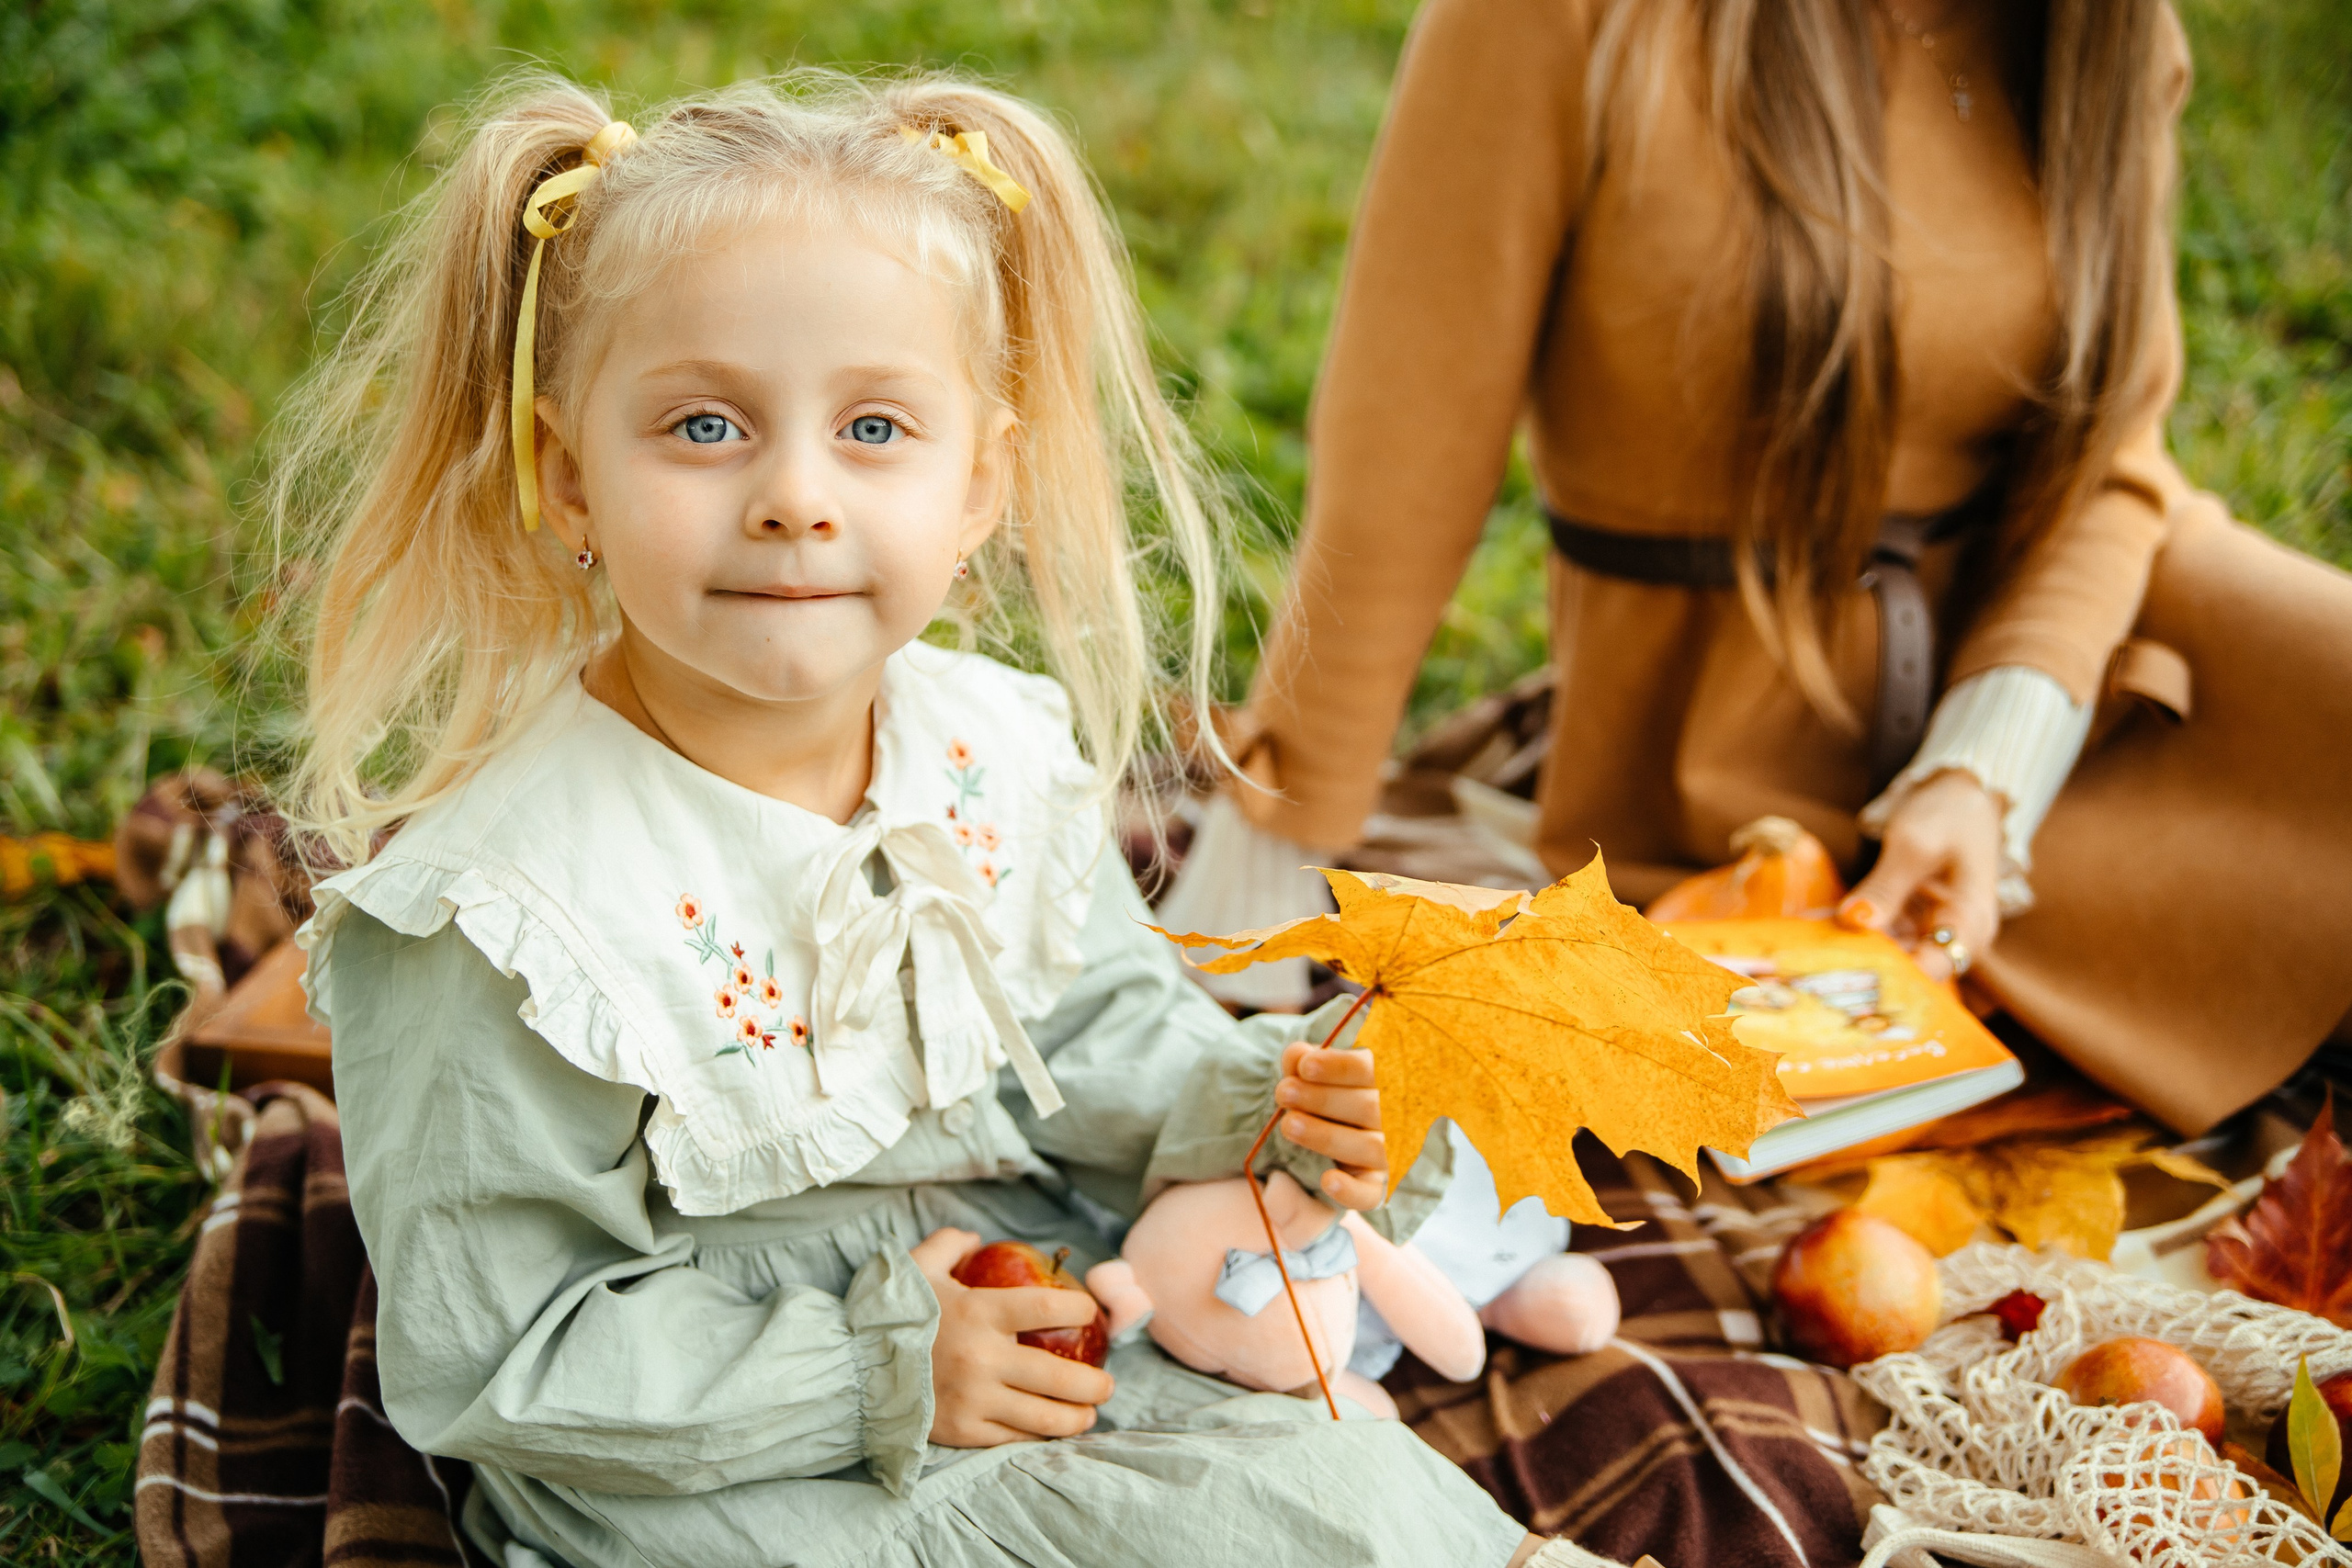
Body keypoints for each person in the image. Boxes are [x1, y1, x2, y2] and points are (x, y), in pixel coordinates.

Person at [276, 69, 1581, 1568]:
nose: (794, 498)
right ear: (567, 477)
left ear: (982, 485)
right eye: (704, 426)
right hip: (725, 1444)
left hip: (1042, 1315)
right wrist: (882, 1365)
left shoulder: (984, 757)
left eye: (877, 428)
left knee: (1336, 1504)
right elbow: (502, 1350)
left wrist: (1273, 1112)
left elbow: (1099, 1046)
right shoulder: (505, 916)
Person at [1166, 0, 2352, 1135]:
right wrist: (1267, 851)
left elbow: (2111, 454)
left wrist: (1986, 775)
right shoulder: (1569, 18)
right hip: (1729, 788)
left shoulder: (2112, 35)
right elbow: (1408, 438)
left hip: (2081, 679)